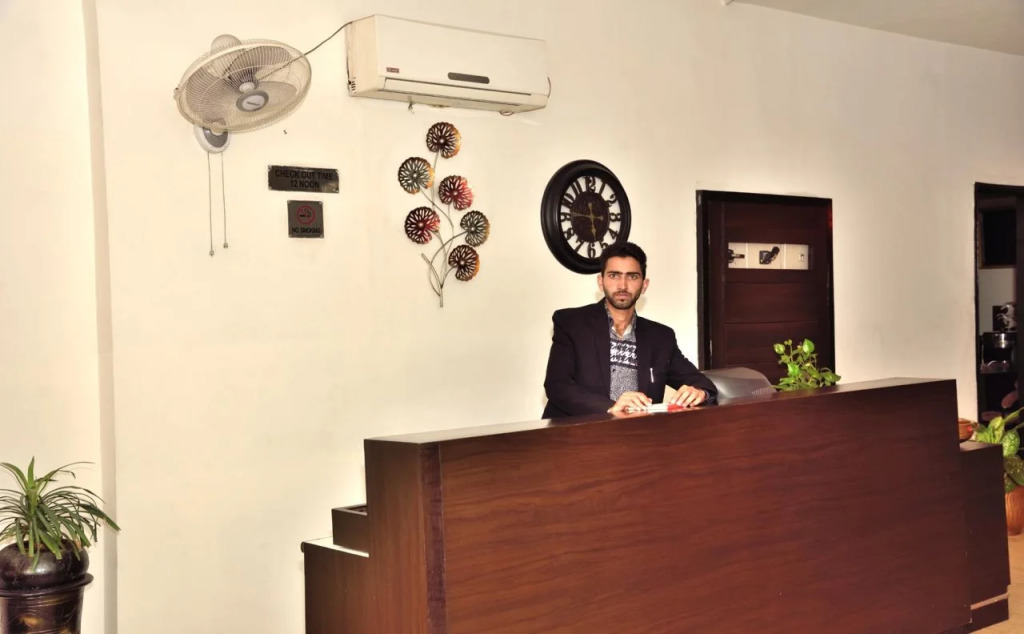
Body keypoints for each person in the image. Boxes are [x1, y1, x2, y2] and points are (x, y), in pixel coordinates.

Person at [542, 242, 717, 418]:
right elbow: (557, 385)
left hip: (636, 432)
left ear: (644, 285)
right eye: (614, 275)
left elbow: (700, 382)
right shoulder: (571, 323)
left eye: (632, 276)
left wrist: (700, 392)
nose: (623, 285)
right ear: (601, 282)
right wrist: (611, 407)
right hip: (578, 430)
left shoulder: (661, 337)